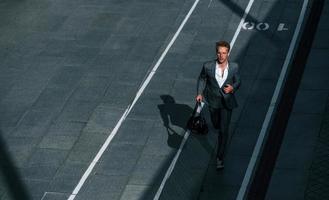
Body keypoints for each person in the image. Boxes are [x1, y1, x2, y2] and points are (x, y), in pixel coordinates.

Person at [196, 41, 241, 170]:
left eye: (224, 53)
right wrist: (199, 93)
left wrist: (232, 87)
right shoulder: (208, 66)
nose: (221, 56)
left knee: (223, 131)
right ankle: (217, 125)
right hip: (213, 101)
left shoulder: (234, 67)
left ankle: (219, 158)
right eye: (219, 53)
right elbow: (202, 78)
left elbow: (238, 81)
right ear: (216, 53)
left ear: (228, 53)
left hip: (227, 103)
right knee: (216, 124)